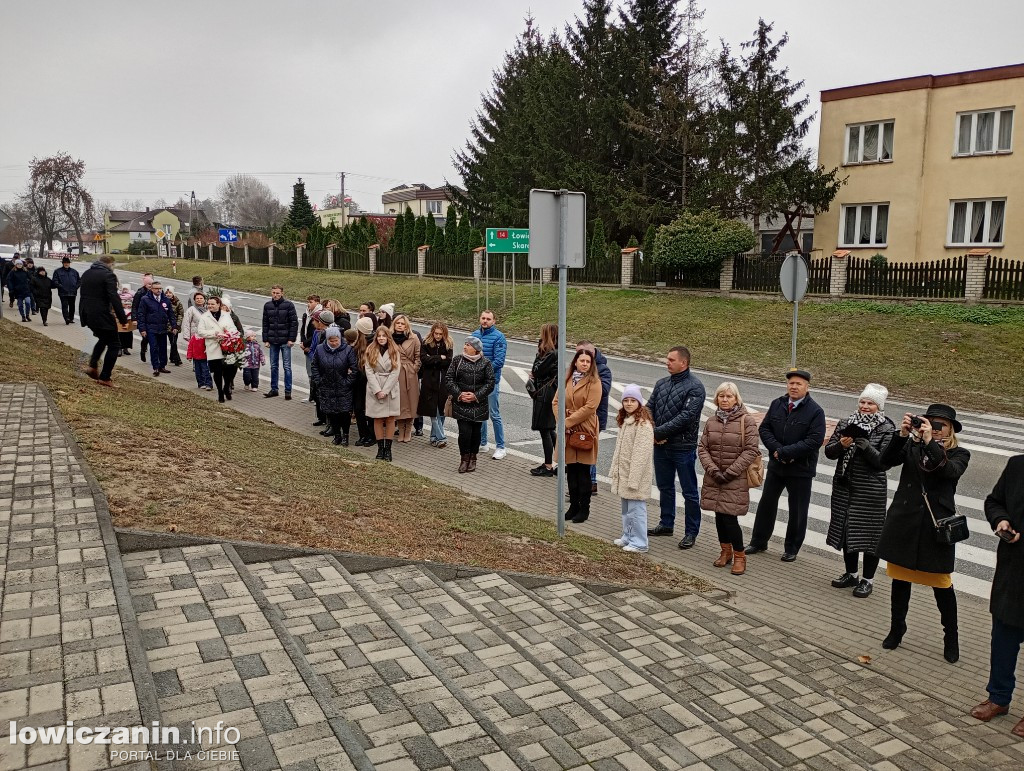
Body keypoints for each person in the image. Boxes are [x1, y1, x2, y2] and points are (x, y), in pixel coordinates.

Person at [876, 405, 970, 663]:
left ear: (950, 429)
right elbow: (883, 462)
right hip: (905, 523)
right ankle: (897, 629)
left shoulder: (959, 453)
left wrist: (930, 441)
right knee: (900, 581)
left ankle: (951, 637)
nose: (936, 427)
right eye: (931, 422)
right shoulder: (912, 446)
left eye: (941, 424)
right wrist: (903, 435)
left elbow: (948, 472)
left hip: (934, 527)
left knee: (942, 585)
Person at [746, 368, 827, 561]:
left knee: (798, 509)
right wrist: (776, 450)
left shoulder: (815, 411)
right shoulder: (778, 404)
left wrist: (786, 452)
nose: (794, 387)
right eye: (791, 383)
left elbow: (814, 440)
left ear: (807, 387)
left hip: (800, 468)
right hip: (777, 465)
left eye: (798, 384)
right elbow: (765, 429)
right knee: (767, 504)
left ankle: (792, 548)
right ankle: (758, 541)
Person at [824, 384, 896, 597]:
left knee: (870, 536)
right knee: (847, 531)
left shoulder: (886, 428)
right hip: (844, 487)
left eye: (870, 403)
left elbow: (884, 463)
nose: (865, 406)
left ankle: (868, 580)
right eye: (863, 402)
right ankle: (851, 573)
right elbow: (829, 452)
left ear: (879, 406)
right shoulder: (847, 423)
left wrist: (864, 445)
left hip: (870, 491)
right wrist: (842, 445)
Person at [971, 454, 1024, 734]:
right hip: (1013, 573)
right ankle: (998, 698)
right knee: (1003, 642)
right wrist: (1001, 519)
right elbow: (994, 500)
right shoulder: (1017, 465)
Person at [698, 382, 762, 576]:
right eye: (721, 396)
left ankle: (740, 555)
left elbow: (751, 450)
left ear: (736, 398)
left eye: (729, 396)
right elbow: (703, 448)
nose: (724, 400)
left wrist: (730, 472)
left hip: (734, 477)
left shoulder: (746, 421)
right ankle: (725, 551)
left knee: (729, 517)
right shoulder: (711, 421)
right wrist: (713, 470)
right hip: (715, 477)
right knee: (718, 515)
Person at [647, 346, 707, 548]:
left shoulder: (695, 387)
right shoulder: (661, 383)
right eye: (667, 359)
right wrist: (653, 431)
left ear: (684, 362)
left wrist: (658, 433)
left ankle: (691, 532)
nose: (667, 362)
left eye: (671, 360)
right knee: (664, 486)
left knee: (689, 492)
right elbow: (649, 408)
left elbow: (686, 417)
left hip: (683, 447)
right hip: (661, 446)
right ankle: (666, 523)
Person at [553, 348, 602, 524]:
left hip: (583, 428)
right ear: (575, 362)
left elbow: (590, 408)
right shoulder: (566, 379)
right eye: (582, 361)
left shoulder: (594, 382)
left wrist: (567, 421)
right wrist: (562, 420)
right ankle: (573, 506)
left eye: (588, 362)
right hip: (567, 427)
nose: (584, 364)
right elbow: (556, 401)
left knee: (583, 472)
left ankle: (584, 508)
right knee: (571, 470)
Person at [609, 384, 655, 553]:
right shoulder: (626, 422)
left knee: (636, 510)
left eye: (632, 400)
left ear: (639, 403)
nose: (628, 403)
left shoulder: (642, 425)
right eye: (626, 400)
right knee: (627, 509)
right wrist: (616, 470)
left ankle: (640, 542)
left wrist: (633, 479)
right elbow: (619, 450)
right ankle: (628, 536)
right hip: (625, 474)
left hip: (635, 477)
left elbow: (640, 456)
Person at [445, 336, 496, 473]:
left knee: (475, 433)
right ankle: (464, 459)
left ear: (476, 349)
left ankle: (473, 458)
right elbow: (449, 378)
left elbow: (490, 382)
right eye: (465, 344)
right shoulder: (457, 360)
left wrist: (476, 396)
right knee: (464, 433)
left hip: (479, 404)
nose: (465, 346)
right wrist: (459, 394)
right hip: (462, 403)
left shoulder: (486, 363)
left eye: (468, 345)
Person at [79, 255, 128, 387]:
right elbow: (114, 297)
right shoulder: (108, 275)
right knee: (115, 344)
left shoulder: (87, 273)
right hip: (101, 315)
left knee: (104, 339)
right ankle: (105, 377)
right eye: (114, 266)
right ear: (110, 264)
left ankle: (92, 366)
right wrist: (122, 318)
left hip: (86, 313)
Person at [311, 325, 359, 446]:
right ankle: (337, 435)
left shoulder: (347, 350)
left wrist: (347, 382)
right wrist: (319, 380)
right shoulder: (320, 349)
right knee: (332, 412)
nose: (333, 343)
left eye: (336, 340)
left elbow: (354, 369)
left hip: (343, 388)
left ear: (340, 339)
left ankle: (345, 436)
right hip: (326, 386)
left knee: (344, 413)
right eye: (331, 341)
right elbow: (314, 366)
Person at [577, 341, 612, 494]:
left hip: (594, 418)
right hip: (579, 416)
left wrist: (586, 377)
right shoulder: (577, 368)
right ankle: (587, 483)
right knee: (581, 449)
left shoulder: (603, 370)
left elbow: (603, 390)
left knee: (587, 450)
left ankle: (589, 483)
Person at [474, 309, 508, 459]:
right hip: (476, 382)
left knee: (494, 414)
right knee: (480, 413)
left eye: (488, 319)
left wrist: (483, 371)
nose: (485, 321)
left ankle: (501, 447)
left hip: (491, 381)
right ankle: (483, 443)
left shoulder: (499, 337)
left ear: (494, 321)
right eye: (483, 318)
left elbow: (499, 361)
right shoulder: (474, 335)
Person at [365, 325, 401, 462]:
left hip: (390, 388)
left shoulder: (394, 351)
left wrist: (385, 390)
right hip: (375, 387)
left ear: (388, 337)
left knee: (391, 418)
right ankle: (380, 448)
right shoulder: (370, 350)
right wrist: (377, 390)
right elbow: (369, 371)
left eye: (384, 336)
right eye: (379, 336)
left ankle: (388, 449)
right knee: (378, 418)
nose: (381, 338)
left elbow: (395, 372)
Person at [529, 323, 559, 477]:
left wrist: (539, 350)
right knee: (550, 429)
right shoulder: (555, 352)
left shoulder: (550, 353)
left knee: (545, 430)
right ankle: (559, 461)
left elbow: (536, 370)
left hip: (545, 395)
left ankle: (548, 465)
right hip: (550, 393)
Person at [418, 322, 454, 448]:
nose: (438, 336)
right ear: (432, 332)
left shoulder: (448, 344)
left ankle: (434, 437)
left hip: (443, 380)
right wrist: (439, 357)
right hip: (429, 380)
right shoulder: (426, 343)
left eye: (440, 334)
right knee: (433, 410)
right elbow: (424, 359)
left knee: (441, 410)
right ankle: (441, 437)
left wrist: (433, 358)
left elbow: (448, 361)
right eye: (436, 333)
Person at [198, 295, 240, 403]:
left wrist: (228, 333)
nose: (210, 306)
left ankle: (227, 387)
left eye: (212, 304)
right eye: (209, 304)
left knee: (230, 369)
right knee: (217, 372)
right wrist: (214, 333)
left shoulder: (226, 315)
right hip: (214, 346)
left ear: (218, 305)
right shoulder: (204, 317)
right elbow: (201, 332)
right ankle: (220, 393)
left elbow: (233, 328)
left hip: (227, 346)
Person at [262, 284, 298, 400]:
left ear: (282, 293)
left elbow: (294, 323)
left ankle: (288, 391)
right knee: (273, 366)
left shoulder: (288, 305)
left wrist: (291, 339)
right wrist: (266, 339)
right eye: (273, 293)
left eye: (277, 293)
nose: (275, 295)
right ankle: (274, 389)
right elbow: (265, 323)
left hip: (285, 340)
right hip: (273, 340)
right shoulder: (267, 305)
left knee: (287, 366)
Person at [391, 315, 421, 443]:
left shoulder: (413, 338)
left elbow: (418, 356)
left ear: (406, 325)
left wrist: (414, 369)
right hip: (395, 372)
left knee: (411, 401)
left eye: (402, 323)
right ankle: (401, 429)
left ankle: (408, 428)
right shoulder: (389, 337)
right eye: (397, 323)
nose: (400, 325)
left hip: (409, 373)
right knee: (398, 401)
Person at [136, 280, 177, 376]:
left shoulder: (165, 299)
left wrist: (174, 325)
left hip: (162, 327)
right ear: (151, 289)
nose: (158, 290)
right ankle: (155, 367)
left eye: (160, 288)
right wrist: (142, 329)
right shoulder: (145, 299)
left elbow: (171, 314)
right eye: (156, 288)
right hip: (150, 328)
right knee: (154, 347)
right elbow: (141, 315)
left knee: (163, 347)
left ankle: (162, 366)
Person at [351, 316, 376, 446]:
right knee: (358, 408)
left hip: (369, 381)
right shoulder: (357, 344)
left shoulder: (374, 344)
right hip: (358, 381)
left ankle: (372, 435)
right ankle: (363, 434)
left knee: (370, 409)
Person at [184, 291, 212, 390]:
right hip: (195, 336)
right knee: (197, 358)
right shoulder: (191, 309)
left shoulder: (207, 310)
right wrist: (187, 335)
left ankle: (207, 380)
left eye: (201, 298)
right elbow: (186, 322)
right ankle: (200, 380)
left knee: (205, 361)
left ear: (204, 300)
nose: (199, 300)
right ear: (194, 300)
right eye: (197, 298)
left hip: (206, 336)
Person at [300, 294, 323, 384]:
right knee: (309, 372)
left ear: (317, 303)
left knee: (314, 373)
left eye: (310, 302)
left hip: (313, 347)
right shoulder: (306, 314)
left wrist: (305, 344)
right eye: (307, 302)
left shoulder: (319, 314)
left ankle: (315, 395)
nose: (308, 304)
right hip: (306, 346)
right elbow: (303, 329)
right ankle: (311, 395)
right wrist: (302, 341)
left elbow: (315, 333)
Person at [132, 274, 154, 362]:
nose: (151, 286)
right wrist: (134, 318)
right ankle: (143, 350)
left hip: (152, 318)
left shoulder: (154, 292)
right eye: (149, 285)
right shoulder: (140, 292)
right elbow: (134, 306)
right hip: (142, 318)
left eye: (152, 285)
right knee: (145, 337)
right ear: (145, 284)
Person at [52, 256, 81, 324]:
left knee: (72, 306)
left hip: (72, 292)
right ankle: (66, 318)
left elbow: (79, 280)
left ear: (69, 263)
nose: (66, 264)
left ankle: (71, 318)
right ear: (63, 263)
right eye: (65, 263)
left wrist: (76, 287)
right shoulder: (57, 271)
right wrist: (60, 286)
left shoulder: (74, 271)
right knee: (64, 305)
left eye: (67, 263)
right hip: (63, 292)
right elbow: (55, 280)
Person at [164, 286, 185, 366]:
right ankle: (173, 358)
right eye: (167, 293)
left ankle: (176, 359)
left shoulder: (177, 302)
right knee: (169, 342)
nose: (168, 294)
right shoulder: (163, 302)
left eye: (170, 293)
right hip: (165, 326)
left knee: (173, 343)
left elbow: (180, 314)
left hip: (174, 326)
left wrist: (177, 324)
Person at [117, 284, 135, 356]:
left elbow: (135, 305)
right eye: (123, 289)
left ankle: (126, 348)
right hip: (120, 316)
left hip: (129, 316)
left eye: (126, 289)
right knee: (120, 333)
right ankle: (119, 348)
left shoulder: (132, 297)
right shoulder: (118, 296)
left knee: (128, 333)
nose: (125, 291)